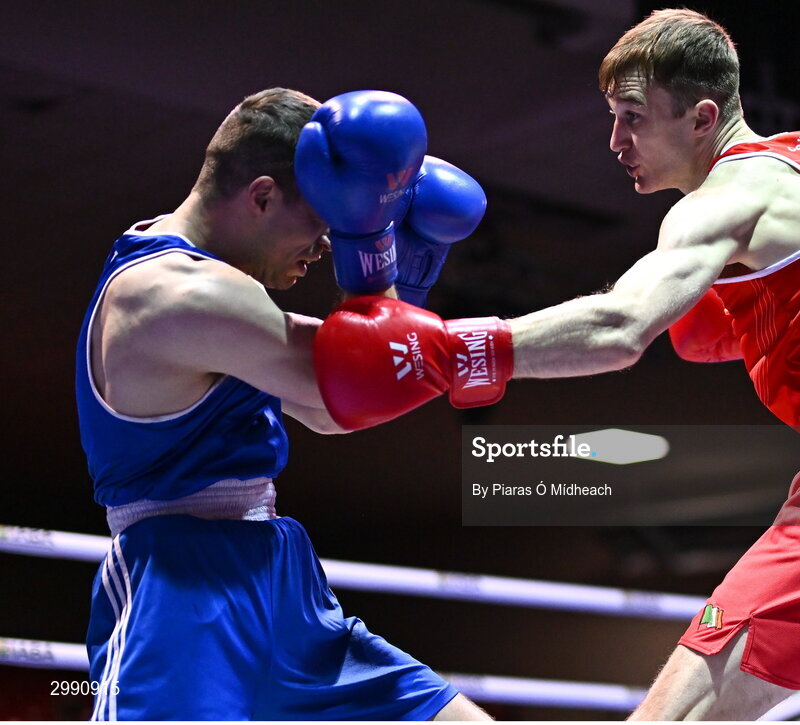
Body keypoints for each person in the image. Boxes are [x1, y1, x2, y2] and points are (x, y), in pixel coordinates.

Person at [311, 9, 800, 721]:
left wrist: (457, 351)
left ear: (703, 118)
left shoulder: (721, 200)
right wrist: (764, 318)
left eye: (634, 117)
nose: (616, 141)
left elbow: (621, 327)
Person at [75, 87, 493, 720]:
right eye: (323, 223)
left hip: (276, 574)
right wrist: (381, 258)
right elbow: (349, 384)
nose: (326, 246)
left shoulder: (225, 292)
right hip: (185, 592)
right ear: (263, 196)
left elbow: (333, 411)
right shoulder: (177, 292)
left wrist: (406, 281)